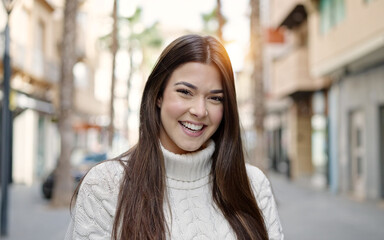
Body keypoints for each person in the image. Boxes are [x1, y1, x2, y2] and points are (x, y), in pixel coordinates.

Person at [65, 34, 284, 240]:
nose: (200, 110)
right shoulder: (105, 185)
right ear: (158, 95)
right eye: (185, 92)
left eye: (215, 98)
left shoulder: (253, 184)